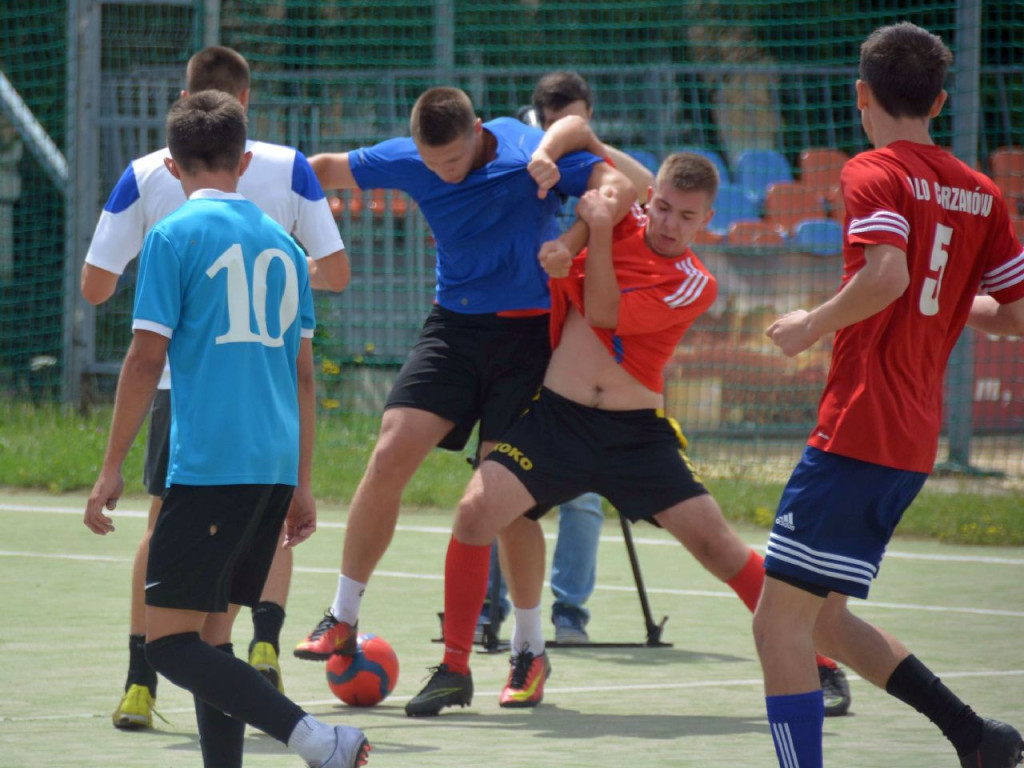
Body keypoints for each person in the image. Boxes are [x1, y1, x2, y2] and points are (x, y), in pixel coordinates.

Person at [403, 151, 848, 718]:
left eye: (686, 216)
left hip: (635, 436)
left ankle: (821, 662)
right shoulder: (618, 217)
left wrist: (597, 233)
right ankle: (458, 669)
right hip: (557, 421)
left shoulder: (696, 284)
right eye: (662, 206)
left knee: (718, 546)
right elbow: (584, 142)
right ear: (651, 195)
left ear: (706, 221)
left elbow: (605, 311)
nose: (668, 224)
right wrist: (572, 217)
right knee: (474, 513)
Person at [754, 22, 1024, 768]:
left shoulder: (873, 171)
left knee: (776, 623)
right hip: (910, 439)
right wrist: (944, 305)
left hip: (860, 426)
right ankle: (977, 737)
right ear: (939, 100)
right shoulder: (982, 193)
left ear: (860, 95)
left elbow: (889, 276)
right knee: (826, 622)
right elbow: (1015, 314)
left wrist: (811, 323)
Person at [291, 87, 635, 672]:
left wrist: (571, 242)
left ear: (477, 130)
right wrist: (245, 183)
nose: (443, 175)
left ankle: (529, 650)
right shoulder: (411, 158)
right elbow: (319, 171)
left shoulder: (529, 153)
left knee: (506, 502)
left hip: (527, 338)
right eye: (432, 165)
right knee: (389, 452)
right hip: (453, 328)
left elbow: (621, 188)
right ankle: (343, 617)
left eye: (452, 161)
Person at [83, 90, 369, 768]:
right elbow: (304, 377)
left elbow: (145, 358)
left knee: (169, 645)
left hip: (211, 463)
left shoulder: (172, 236)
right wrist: (302, 482)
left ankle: (318, 740)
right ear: (243, 162)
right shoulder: (286, 246)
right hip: (271, 465)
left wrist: (111, 465)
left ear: (173, 169)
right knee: (212, 642)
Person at [480, 71, 661, 646]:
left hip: (579, 335)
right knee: (499, 476)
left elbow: (647, 187)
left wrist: (588, 146)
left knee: (581, 490)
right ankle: (493, 610)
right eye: (564, 122)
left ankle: (569, 612)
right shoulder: (510, 154)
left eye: (580, 120)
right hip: (521, 330)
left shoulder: (595, 163)